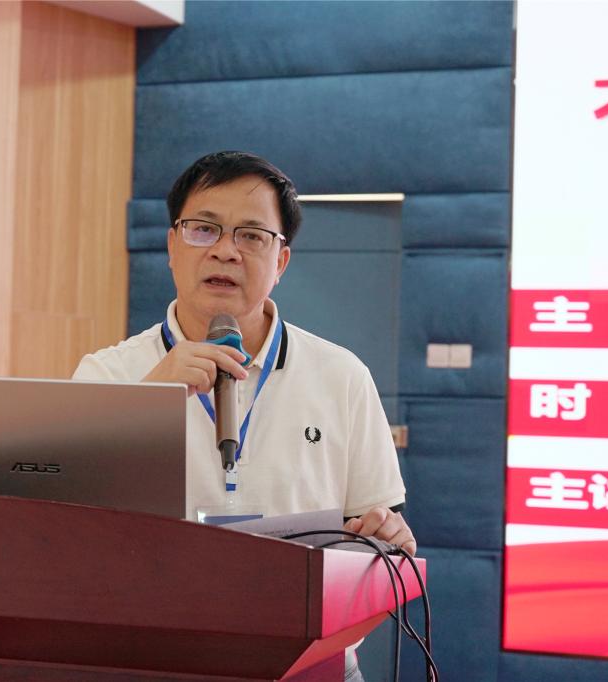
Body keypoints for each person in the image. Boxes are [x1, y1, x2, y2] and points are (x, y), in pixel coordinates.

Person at [72, 150, 413, 554]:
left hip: (292, 597)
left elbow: (378, 538)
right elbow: (66, 529)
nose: (225, 251)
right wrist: (145, 406)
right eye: (204, 229)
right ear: (172, 246)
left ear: (280, 262)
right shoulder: (107, 375)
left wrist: (388, 538)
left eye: (251, 235)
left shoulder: (343, 378)